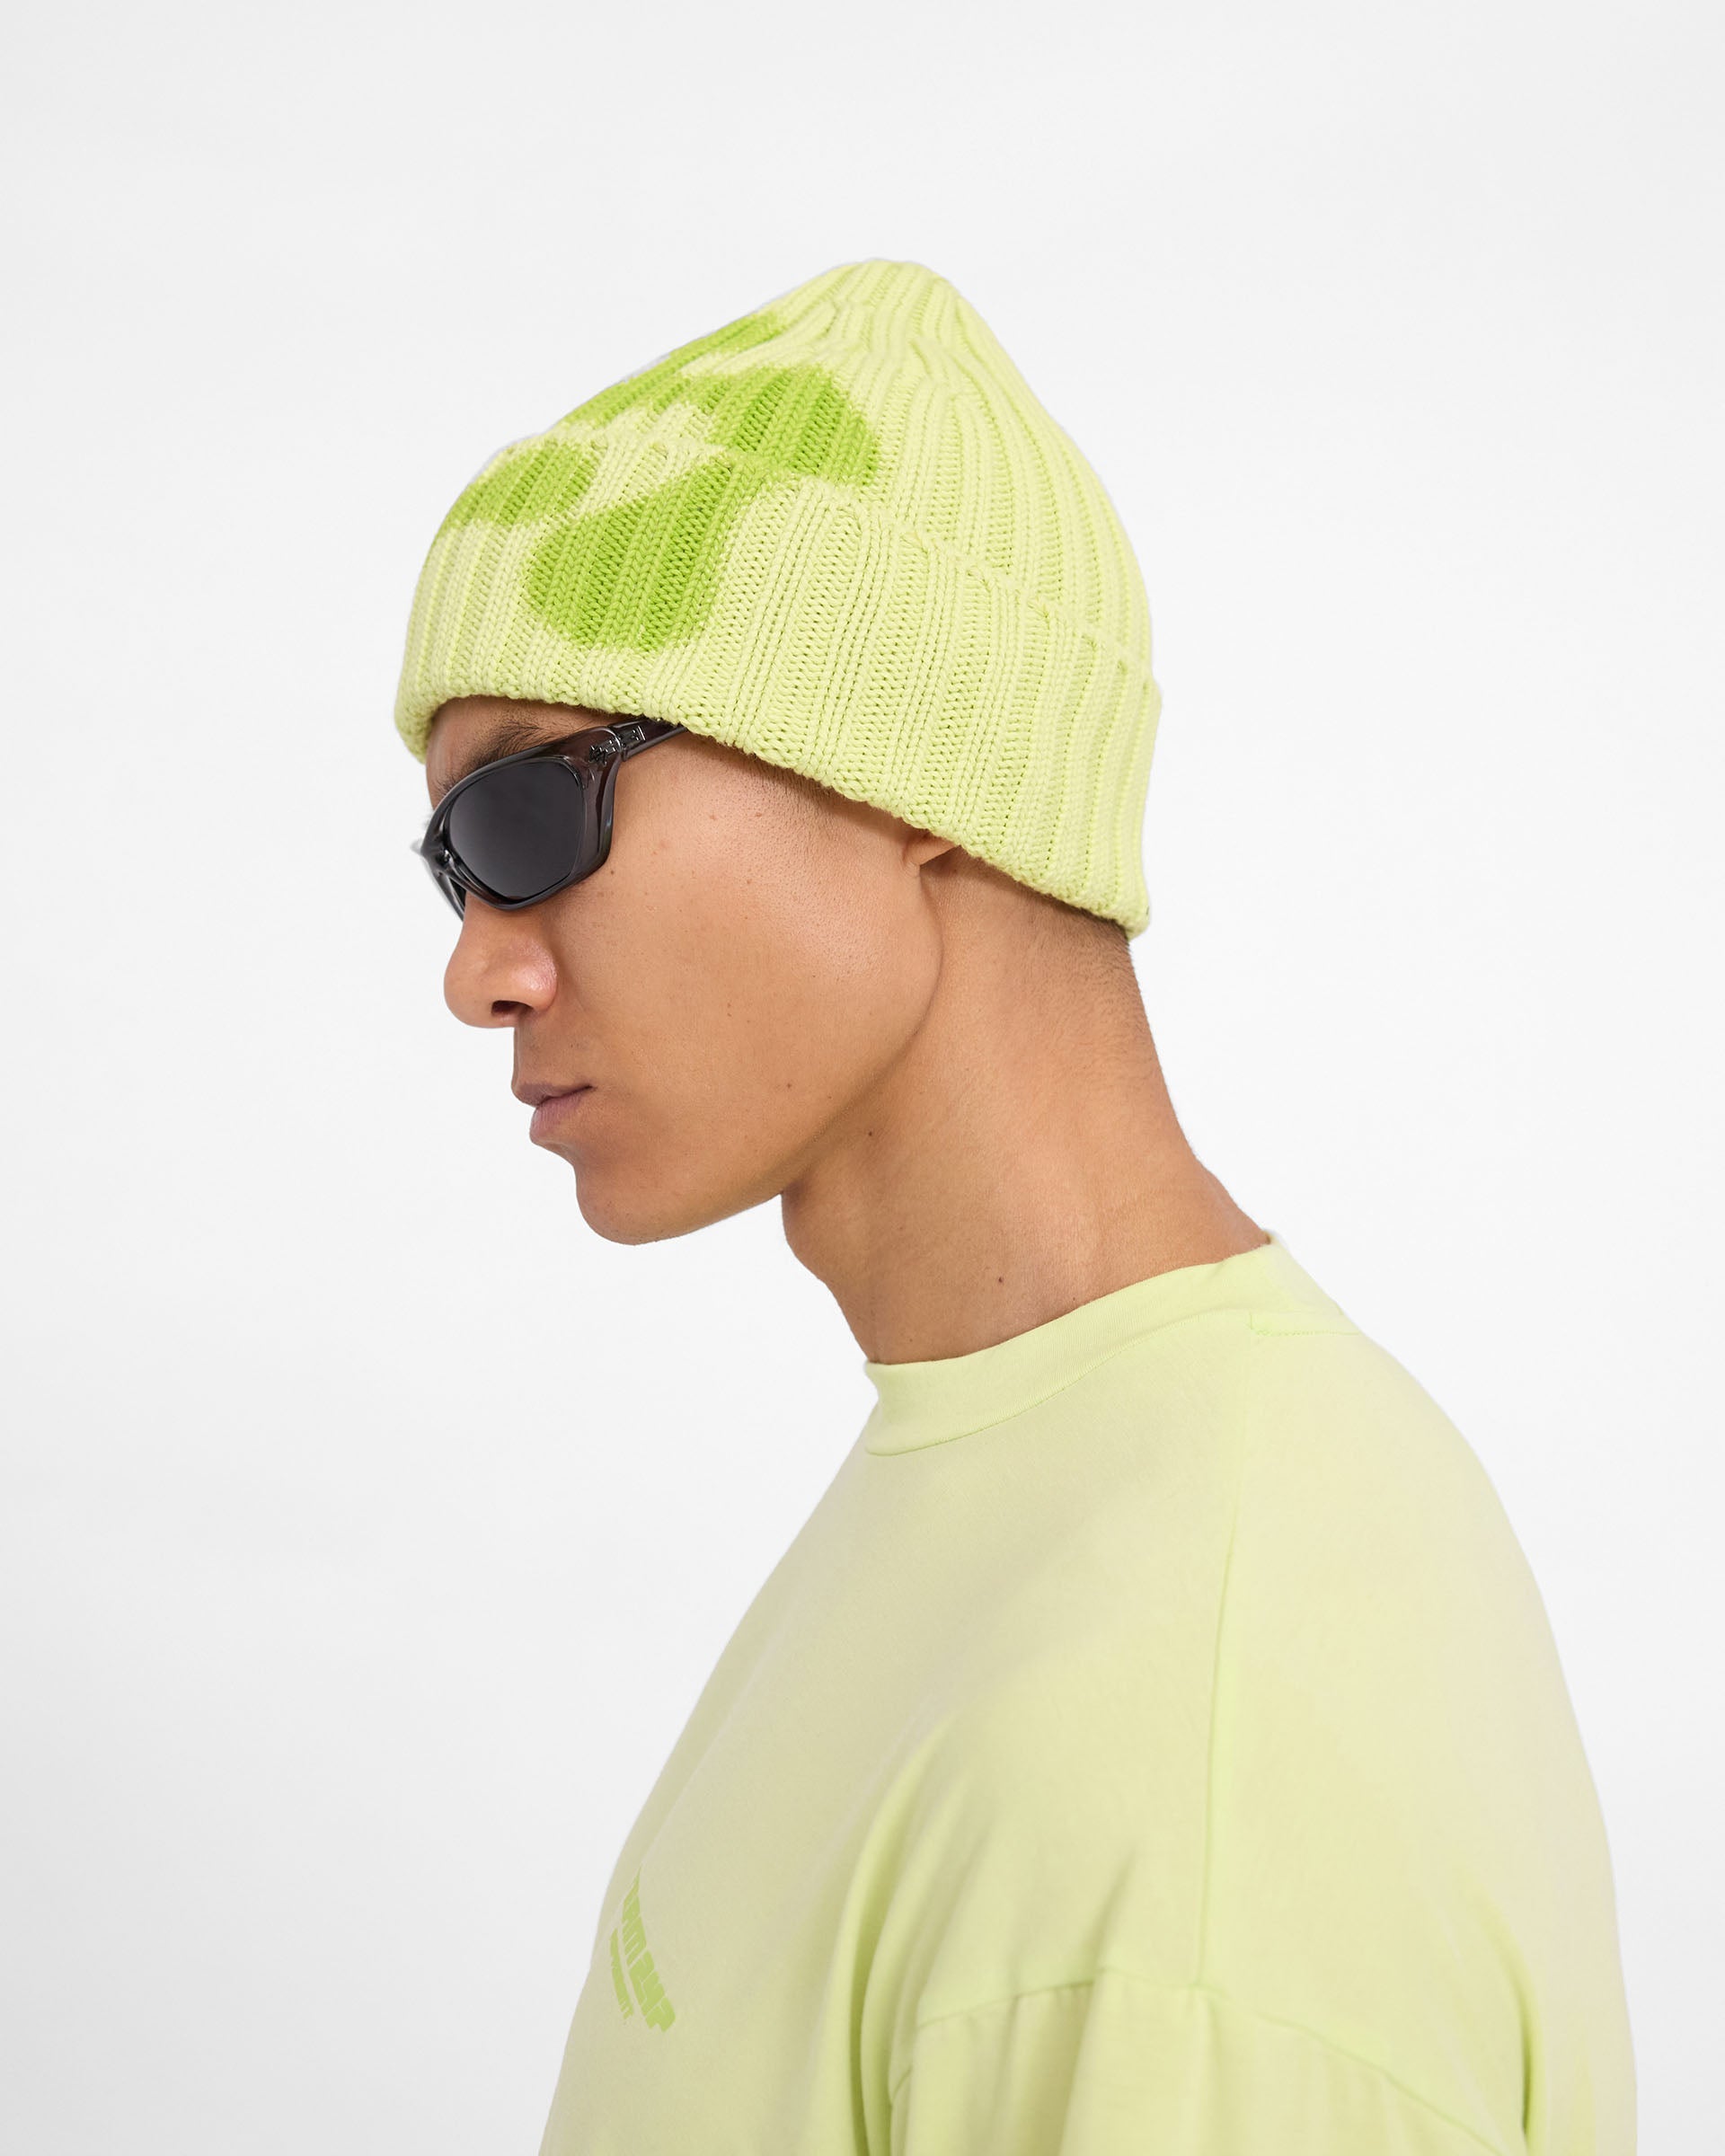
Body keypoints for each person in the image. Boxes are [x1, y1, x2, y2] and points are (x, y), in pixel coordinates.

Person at [392, 260, 1635, 2154]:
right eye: (449, 866)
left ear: (916, 757)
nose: (477, 972)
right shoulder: (1028, 1471)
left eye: (527, 815)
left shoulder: (1189, 1740)